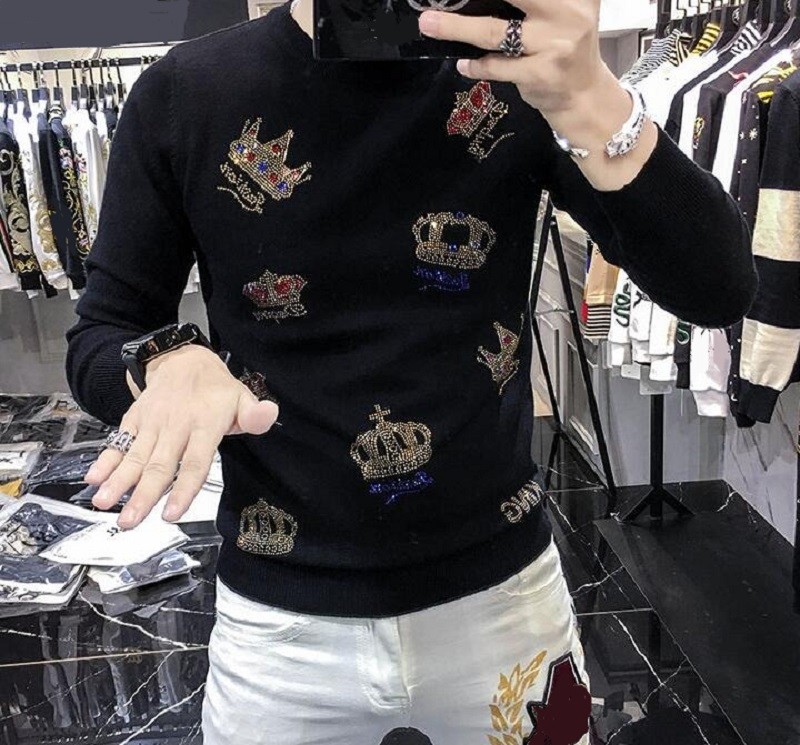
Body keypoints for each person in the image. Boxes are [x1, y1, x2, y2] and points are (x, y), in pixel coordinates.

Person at [65, 0, 757, 742]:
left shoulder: (520, 71)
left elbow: (716, 290)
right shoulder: (189, 90)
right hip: (281, 631)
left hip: (503, 602)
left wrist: (592, 98)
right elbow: (104, 330)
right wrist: (165, 362)